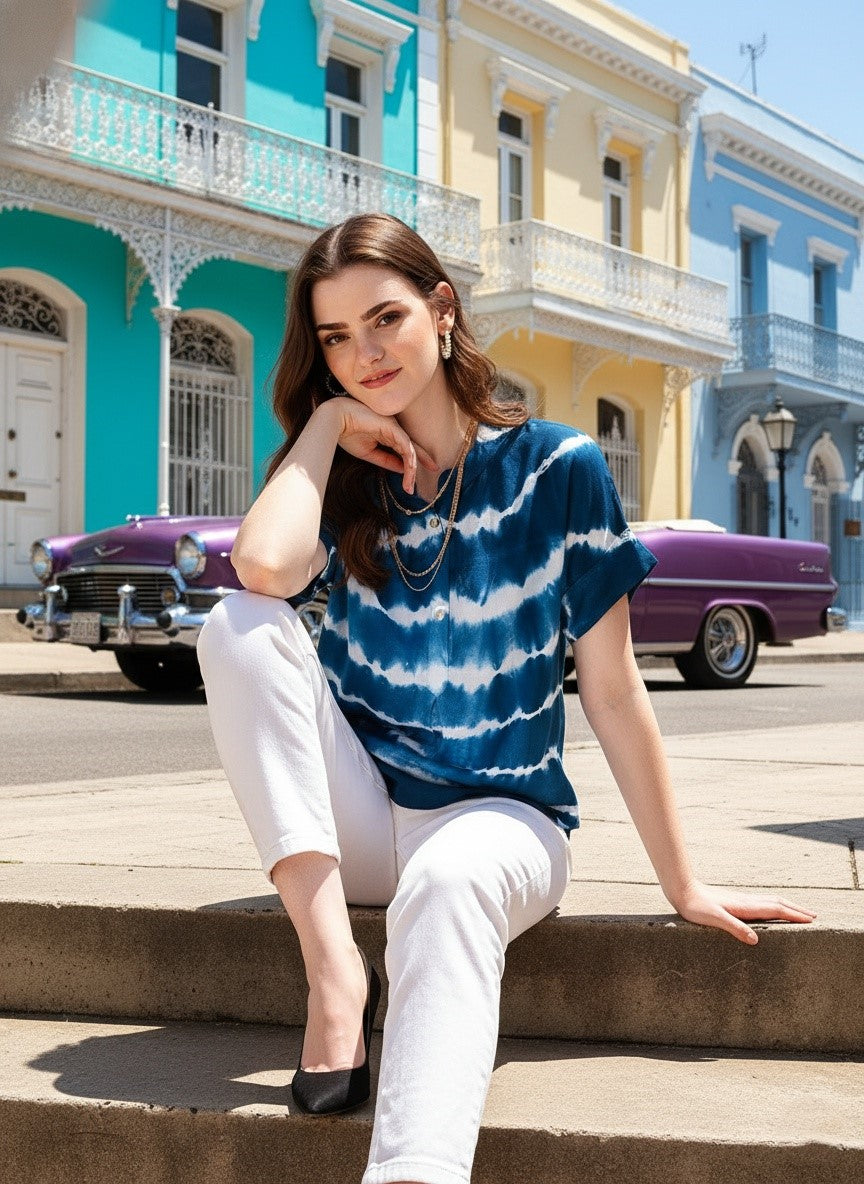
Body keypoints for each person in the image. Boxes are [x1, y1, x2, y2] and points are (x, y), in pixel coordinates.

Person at [197, 212, 815, 1184]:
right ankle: (334, 973)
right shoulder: (342, 480)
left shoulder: (556, 469)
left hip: (501, 820)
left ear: (442, 311)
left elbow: (612, 691)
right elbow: (262, 567)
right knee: (234, 624)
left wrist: (683, 882)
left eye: (385, 319)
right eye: (334, 339)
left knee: (448, 883)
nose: (364, 355)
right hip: (362, 820)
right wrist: (321, 427)